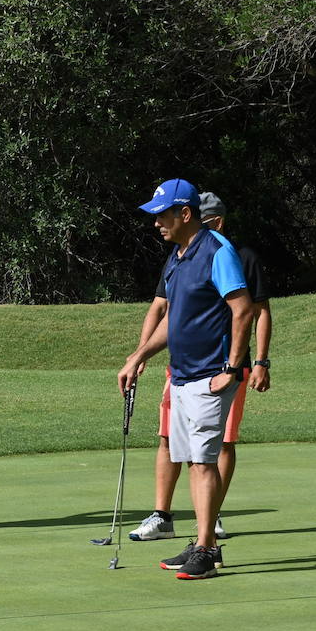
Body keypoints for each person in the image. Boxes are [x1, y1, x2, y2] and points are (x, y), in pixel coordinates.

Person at [118, 179, 252, 579]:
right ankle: (202, 543)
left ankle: (207, 551)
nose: (156, 222)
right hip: (182, 376)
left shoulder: (217, 251)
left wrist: (231, 368)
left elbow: (242, 310)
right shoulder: (178, 256)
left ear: (185, 214)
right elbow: (174, 322)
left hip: (210, 374)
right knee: (193, 461)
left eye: (162, 214)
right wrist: (138, 355)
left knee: (204, 463)